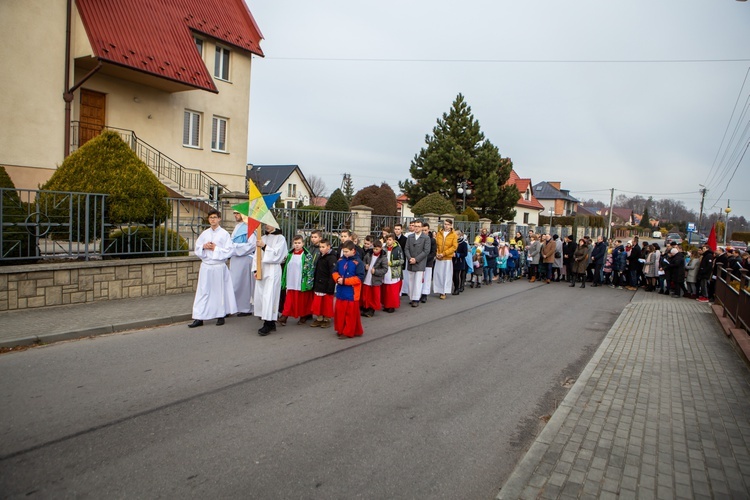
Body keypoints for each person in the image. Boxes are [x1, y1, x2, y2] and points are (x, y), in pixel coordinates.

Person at [189, 209, 238, 328]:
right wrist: (204, 247)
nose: (213, 220)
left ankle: (220, 315)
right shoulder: (204, 233)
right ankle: (199, 317)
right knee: (203, 291)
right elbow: (197, 248)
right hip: (206, 266)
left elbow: (229, 251)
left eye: (215, 217)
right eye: (211, 217)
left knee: (218, 291)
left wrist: (216, 248)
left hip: (218, 266)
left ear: (219, 219)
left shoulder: (224, 234)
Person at [253, 225, 288, 336]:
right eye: (265, 224)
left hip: (273, 269)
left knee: (270, 296)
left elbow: (278, 255)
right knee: (262, 296)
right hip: (262, 269)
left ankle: (268, 322)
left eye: (269, 223)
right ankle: (270, 321)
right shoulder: (262, 237)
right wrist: (255, 269)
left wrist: (264, 246)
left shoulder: (280, 238)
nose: (267, 226)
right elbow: (256, 255)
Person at [278, 235, 314, 326]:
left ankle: (303, 316)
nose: (297, 245)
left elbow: (310, 269)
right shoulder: (289, 254)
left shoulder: (307, 255)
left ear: (303, 244)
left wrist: (308, 282)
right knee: (289, 298)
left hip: (301, 281)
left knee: (302, 300)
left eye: (299, 243)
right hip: (291, 280)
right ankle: (284, 316)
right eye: (295, 243)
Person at [333, 241, 365, 339]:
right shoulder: (340, 260)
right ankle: (340, 329)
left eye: (346, 251)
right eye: (344, 251)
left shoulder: (358, 262)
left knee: (350, 314)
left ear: (353, 251)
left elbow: (360, 278)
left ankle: (348, 331)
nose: (345, 253)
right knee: (340, 312)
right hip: (341, 290)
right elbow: (334, 271)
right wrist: (337, 279)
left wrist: (345, 281)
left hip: (352, 292)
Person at [229, 210, 257, 317]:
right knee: (234, 284)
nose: (235, 215)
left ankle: (246, 308)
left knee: (244, 284)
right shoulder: (237, 227)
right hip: (235, 258)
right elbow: (231, 242)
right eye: (234, 213)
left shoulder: (250, 227)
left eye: (237, 213)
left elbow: (251, 245)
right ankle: (235, 307)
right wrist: (233, 248)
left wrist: (236, 248)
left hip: (245, 258)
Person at [310, 238, 337, 327]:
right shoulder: (320, 256)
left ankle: (327, 318)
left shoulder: (331, 258)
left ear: (328, 247)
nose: (321, 249)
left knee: (326, 303)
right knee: (318, 303)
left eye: (323, 247)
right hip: (319, 283)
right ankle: (319, 318)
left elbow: (332, 273)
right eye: (320, 247)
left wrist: (331, 286)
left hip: (327, 284)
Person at [404, 219, 430, 307]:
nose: (416, 228)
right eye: (415, 226)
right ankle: (411, 297)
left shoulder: (426, 238)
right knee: (411, 280)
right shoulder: (410, 237)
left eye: (418, 226)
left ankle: (416, 298)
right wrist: (409, 258)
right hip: (411, 261)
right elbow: (406, 249)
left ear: (422, 228)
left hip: (420, 262)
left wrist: (416, 259)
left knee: (418, 281)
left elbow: (426, 251)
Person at [362, 239, 389, 317]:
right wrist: (365, 265)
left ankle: (372, 309)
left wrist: (376, 271)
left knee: (374, 295)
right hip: (367, 277)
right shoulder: (369, 254)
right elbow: (363, 261)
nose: (375, 250)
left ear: (380, 248)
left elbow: (385, 269)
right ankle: (366, 307)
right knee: (366, 294)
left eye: (377, 249)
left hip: (375, 279)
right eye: (374, 248)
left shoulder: (383, 257)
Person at [434, 218, 458, 299]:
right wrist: (437, 253)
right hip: (439, 257)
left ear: (451, 225)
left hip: (447, 258)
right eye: (445, 224)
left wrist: (444, 253)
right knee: (438, 274)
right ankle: (439, 289)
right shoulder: (439, 233)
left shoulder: (454, 234)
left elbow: (454, 247)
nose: (446, 226)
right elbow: (436, 244)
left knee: (446, 275)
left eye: (448, 224)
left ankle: (444, 291)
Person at [382, 234, 404, 313]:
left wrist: (392, 263)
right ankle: (386, 304)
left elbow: (402, 260)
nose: (388, 241)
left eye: (390, 240)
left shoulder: (397, 249)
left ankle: (392, 305)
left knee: (392, 290)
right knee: (385, 289)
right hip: (385, 271)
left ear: (394, 241)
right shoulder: (383, 249)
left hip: (393, 272)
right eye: (387, 240)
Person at [419, 222, 437, 302]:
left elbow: (433, 252)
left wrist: (425, 259)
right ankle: (418, 293)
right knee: (419, 279)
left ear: (428, 230)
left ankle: (424, 294)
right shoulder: (419, 238)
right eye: (422, 230)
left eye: (425, 230)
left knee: (426, 278)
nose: (424, 232)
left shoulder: (432, 240)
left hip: (428, 262)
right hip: (419, 262)